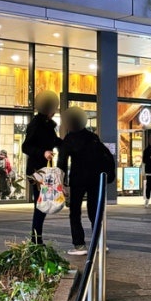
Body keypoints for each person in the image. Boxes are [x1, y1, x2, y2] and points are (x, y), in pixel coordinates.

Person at [58, 107, 107, 256]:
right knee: (95, 211)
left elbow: (62, 163)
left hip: (78, 179)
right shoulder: (93, 137)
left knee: (75, 212)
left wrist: (62, 183)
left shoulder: (69, 138)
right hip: (95, 179)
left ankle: (79, 245)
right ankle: (99, 243)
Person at [22, 90, 61, 244]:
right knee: (41, 205)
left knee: (41, 205)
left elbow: (54, 141)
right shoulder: (37, 124)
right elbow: (26, 146)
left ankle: (36, 239)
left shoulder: (47, 125)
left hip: (43, 170)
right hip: (36, 171)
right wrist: (43, 152)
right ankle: (36, 239)